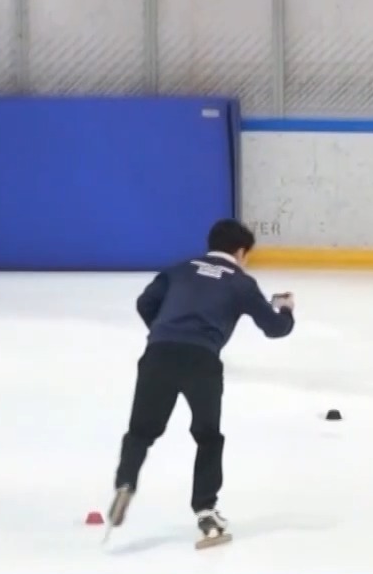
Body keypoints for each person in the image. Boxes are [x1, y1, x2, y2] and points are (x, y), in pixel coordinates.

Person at [107, 219, 296, 547]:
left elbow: (144, 303)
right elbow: (275, 329)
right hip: (202, 360)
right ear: (241, 252)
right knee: (208, 437)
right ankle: (206, 511)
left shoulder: (179, 270)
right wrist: (286, 310)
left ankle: (125, 483)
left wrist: (165, 331)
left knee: (141, 432)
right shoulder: (241, 283)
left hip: (159, 352)